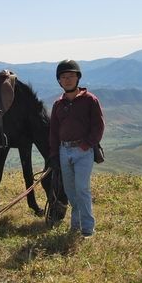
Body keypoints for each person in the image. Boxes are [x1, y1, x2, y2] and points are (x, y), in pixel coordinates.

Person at [49, 59, 105, 237]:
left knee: (82, 188)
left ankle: (87, 229)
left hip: (83, 151)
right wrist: (54, 154)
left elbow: (99, 126)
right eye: (63, 77)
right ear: (59, 81)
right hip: (64, 151)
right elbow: (54, 132)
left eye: (71, 76)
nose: (67, 80)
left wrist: (86, 144)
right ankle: (75, 225)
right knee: (70, 192)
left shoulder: (90, 100)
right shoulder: (58, 104)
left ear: (78, 78)